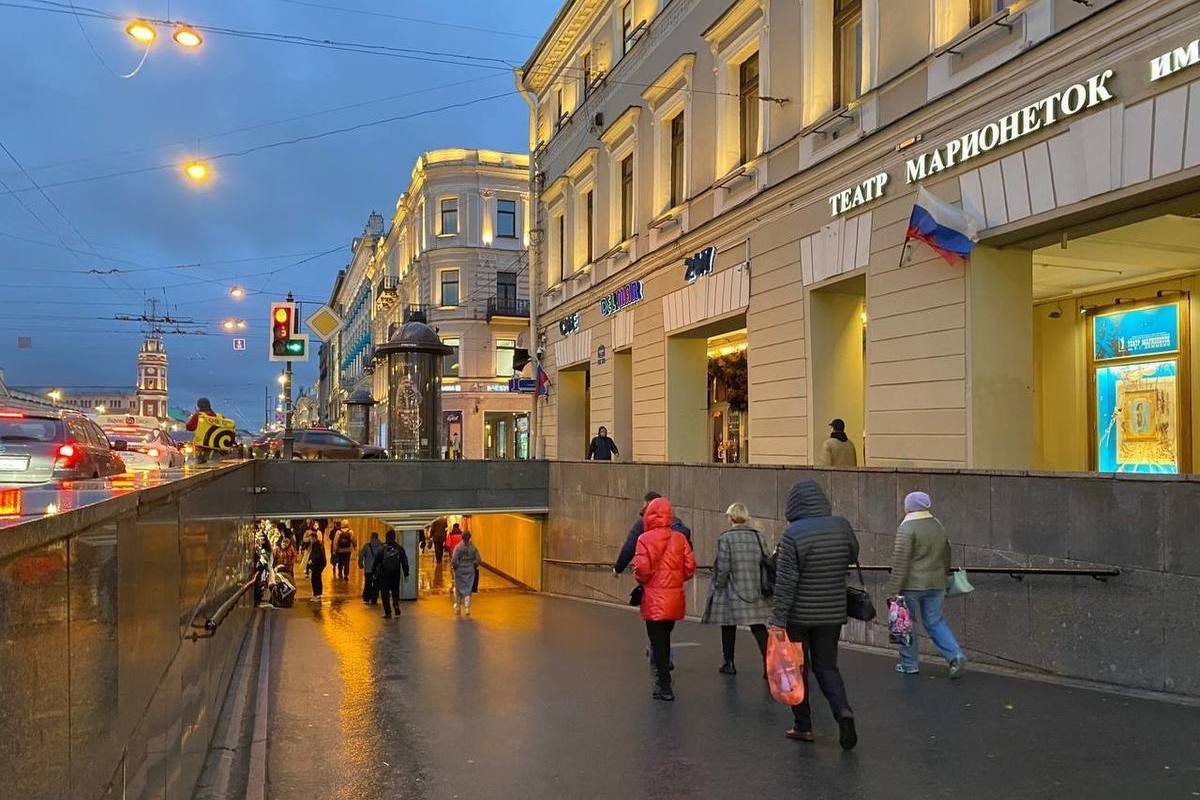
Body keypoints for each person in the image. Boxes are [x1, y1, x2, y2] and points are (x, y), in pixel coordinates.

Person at [769, 479, 859, 750]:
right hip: (832, 611)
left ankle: (803, 725)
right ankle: (843, 710)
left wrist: (777, 620)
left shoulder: (793, 534)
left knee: (798, 669)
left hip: (799, 614)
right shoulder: (841, 525)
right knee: (827, 666)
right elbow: (853, 553)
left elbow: (785, 582)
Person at [888, 491, 966, 679]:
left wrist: (894, 590)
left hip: (912, 585)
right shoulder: (937, 525)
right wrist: (944, 572)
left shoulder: (907, 527)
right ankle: (955, 655)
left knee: (907, 624)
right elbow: (947, 550)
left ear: (909, 506)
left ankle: (909, 664)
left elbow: (901, 561)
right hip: (937, 583)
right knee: (935, 621)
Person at [633, 496, 696, 701]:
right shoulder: (679, 538)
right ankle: (664, 678)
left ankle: (664, 684)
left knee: (657, 640)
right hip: (674, 597)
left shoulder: (644, 539)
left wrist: (643, 578)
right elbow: (689, 568)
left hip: (653, 597)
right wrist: (675, 578)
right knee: (665, 637)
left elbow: (641, 570)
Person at [702, 502, 772, 675]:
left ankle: (729, 662)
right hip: (755, 588)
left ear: (731, 517)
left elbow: (724, 567)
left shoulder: (725, 538)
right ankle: (769, 664)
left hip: (732, 589)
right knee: (759, 627)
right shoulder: (758, 536)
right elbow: (767, 560)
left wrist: (718, 585)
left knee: (728, 625)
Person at [613, 491, 692, 575]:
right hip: (675, 580)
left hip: (653, 580)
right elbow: (689, 563)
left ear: (648, 503)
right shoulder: (676, 525)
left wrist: (618, 568)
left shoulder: (642, 525)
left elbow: (629, 548)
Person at [375, 530, 410, 619]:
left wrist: (373, 572)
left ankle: (388, 612)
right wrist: (406, 573)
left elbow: (376, 561)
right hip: (395, 573)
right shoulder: (399, 548)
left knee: (385, 593)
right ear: (394, 537)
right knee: (395, 590)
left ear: (386, 537)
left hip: (384, 574)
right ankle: (396, 604)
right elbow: (404, 561)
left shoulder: (382, 548)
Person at [451, 530, 482, 615]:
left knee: (458, 588)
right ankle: (467, 608)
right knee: (468, 588)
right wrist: (473, 565)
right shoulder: (473, 548)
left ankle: (458, 606)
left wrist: (455, 567)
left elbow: (454, 560)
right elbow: (478, 559)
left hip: (460, 570)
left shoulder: (458, 547)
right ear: (469, 537)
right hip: (470, 570)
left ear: (462, 537)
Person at [185, 397, 220, 464]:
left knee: (199, 464)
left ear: (199, 406)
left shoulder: (198, 416)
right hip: (215, 445)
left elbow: (190, 427)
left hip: (201, 444)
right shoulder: (217, 417)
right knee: (215, 464)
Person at [358, 530, 385, 604]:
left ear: (371, 537)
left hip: (368, 569)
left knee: (368, 583)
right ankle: (374, 599)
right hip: (378, 569)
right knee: (376, 584)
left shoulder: (367, 546)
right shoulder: (382, 546)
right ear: (377, 537)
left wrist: (360, 563)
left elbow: (361, 555)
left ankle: (367, 598)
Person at [303, 524, 326, 602]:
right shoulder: (319, 544)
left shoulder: (316, 545)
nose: (310, 540)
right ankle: (318, 594)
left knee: (315, 579)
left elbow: (316, 555)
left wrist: (311, 561)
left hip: (317, 565)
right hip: (320, 565)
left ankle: (316, 595)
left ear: (314, 538)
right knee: (317, 579)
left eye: (311, 538)